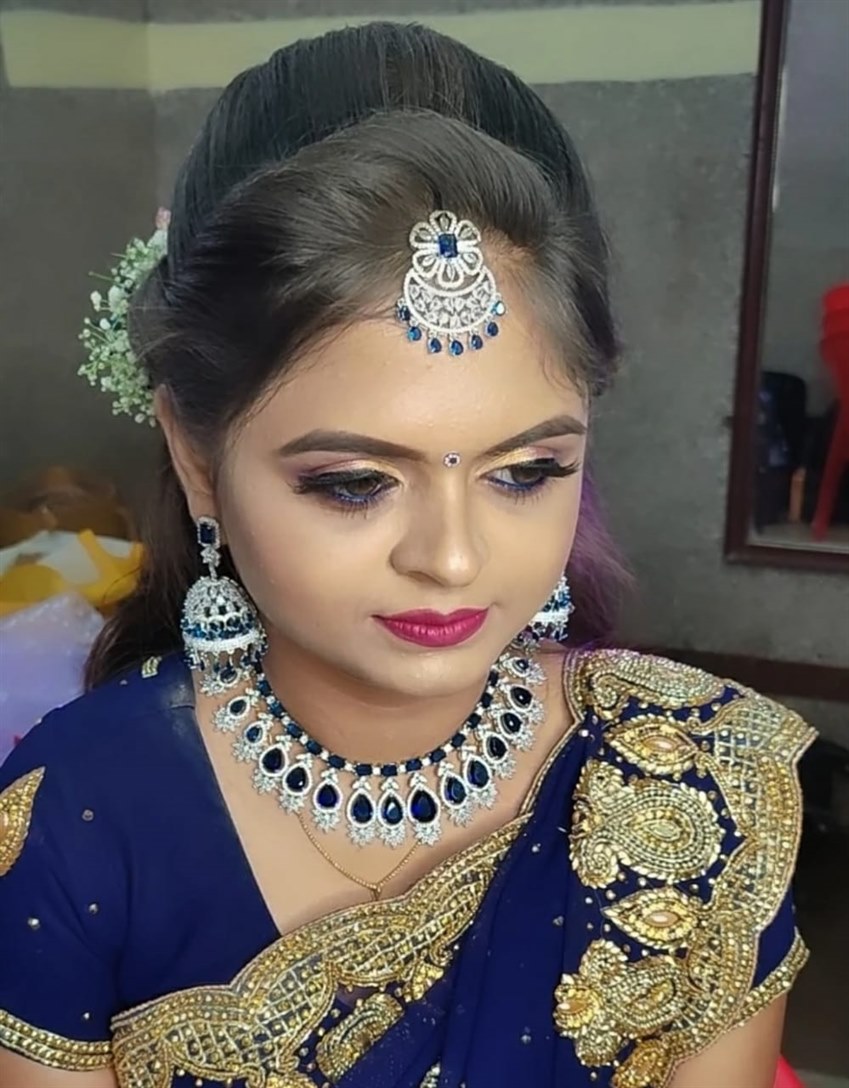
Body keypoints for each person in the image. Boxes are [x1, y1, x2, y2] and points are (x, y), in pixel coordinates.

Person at [0, 22, 812, 1088]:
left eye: (525, 471)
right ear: (199, 462)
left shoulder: (702, 780)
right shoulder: (72, 815)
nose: (453, 557)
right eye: (353, 482)